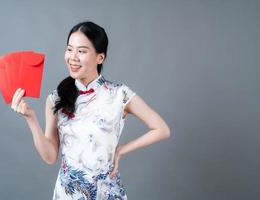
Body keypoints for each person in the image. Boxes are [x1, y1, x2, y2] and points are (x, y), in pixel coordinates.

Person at [11, 21, 170, 200]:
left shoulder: (119, 95)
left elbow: (162, 129)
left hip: (106, 193)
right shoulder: (56, 98)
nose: (73, 57)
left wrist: (121, 150)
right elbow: (50, 157)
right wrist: (31, 118)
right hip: (67, 194)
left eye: (82, 51)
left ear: (99, 58)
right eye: (70, 49)